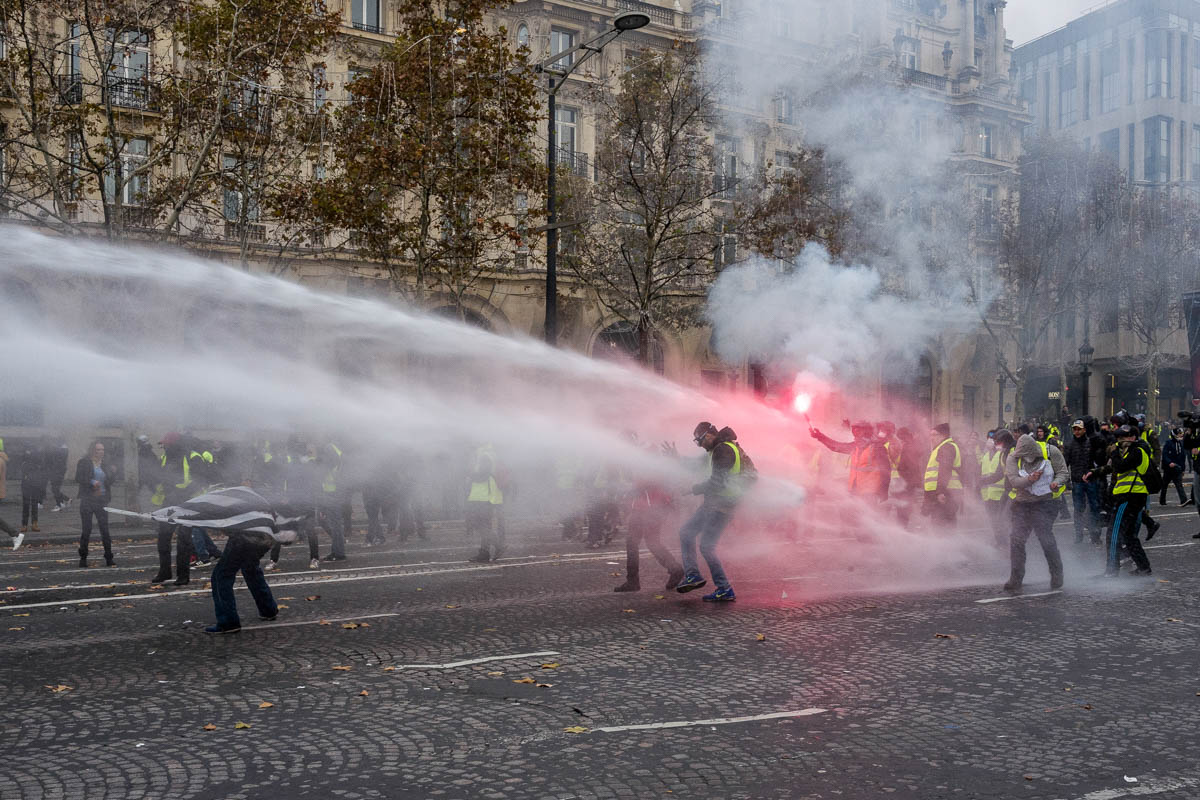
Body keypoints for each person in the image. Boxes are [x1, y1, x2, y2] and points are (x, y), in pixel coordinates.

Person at [675, 422, 754, 602]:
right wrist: (677, 457)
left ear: (710, 434)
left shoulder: (722, 451)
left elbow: (718, 482)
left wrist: (693, 489)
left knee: (699, 541)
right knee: (692, 536)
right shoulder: (718, 449)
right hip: (719, 503)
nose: (700, 445)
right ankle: (714, 584)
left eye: (701, 440)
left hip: (721, 504)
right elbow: (695, 464)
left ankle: (713, 583)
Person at [1085, 424, 1154, 577]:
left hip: (1130, 496)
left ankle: (1111, 570)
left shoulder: (1138, 451)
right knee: (1129, 536)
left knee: (1113, 533)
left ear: (1133, 437)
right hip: (1129, 496)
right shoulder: (1127, 452)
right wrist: (1094, 472)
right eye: (1118, 437)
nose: (1121, 440)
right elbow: (1112, 468)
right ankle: (1144, 567)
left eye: (1124, 437)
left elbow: (1121, 467)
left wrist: (1115, 451)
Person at [1002, 433, 1068, 593]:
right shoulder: (1012, 457)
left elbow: (1063, 473)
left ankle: (1057, 574)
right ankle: (1015, 579)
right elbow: (1014, 481)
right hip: (1022, 503)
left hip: (1046, 503)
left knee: (1045, 537)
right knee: (1017, 540)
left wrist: (1056, 483)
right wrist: (1030, 480)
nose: (1026, 459)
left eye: (1028, 456)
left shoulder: (1051, 451)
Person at [615, 446, 684, 593]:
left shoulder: (653, 467)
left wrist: (633, 489)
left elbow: (648, 483)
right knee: (648, 542)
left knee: (641, 542)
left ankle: (634, 581)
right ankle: (674, 569)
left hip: (649, 509)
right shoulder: (648, 466)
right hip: (644, 509)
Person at [809, 421, 890, 502]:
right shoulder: (855, 446)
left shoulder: (877, 448)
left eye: (858, 433)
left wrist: (883, 492)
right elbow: (836, 446)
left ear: (866, 433)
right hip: (855, 491)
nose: (856, 438)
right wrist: (820, 436)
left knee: (865, 513)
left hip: (870, 493)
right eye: (855, 433)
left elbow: (886, 471)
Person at [75, 440, 116, 568]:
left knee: (105, 529)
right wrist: (92, 482)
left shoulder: (105, 463)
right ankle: (83, 557)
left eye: (102, 450)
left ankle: (109, 557)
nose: (101, 452)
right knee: (87, 530)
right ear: (92, 450)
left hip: (102, 499)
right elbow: (78, 478)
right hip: (88, 499)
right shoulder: (84, 462)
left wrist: (113, 473)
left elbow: (109, 482)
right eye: (98, 449)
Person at [1063, 419, 1103, 544]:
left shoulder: (1091, 443)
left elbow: (1098, 460)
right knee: (1079, 509)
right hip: (1077, 481)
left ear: (1084, 430)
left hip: (1090, 480)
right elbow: (1066, 463)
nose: (1077, 431)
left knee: (1094, 508)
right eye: (1075, 429)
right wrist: (1067, 480)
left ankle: (1095, 535)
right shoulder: (1070, 445)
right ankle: (1079, 534)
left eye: (1079, 429)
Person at [466, 443, 505, 563]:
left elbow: (484, 473)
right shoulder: (485, 453)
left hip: (483, 497)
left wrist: (471, 476)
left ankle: (497, 546)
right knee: (483, 525)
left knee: (481, 525)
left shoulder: (484, 455)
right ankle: (484, 553)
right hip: (483, 496)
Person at [923, 423, 963, 525]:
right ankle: (946, 540)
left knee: (942, 523)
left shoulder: (946, 447)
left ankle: (947, 540)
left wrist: (940, 492)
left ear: (943, 435)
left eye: (934, 435)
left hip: (946, 492)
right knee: (942, 522)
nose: (931, 438)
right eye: (930, 435)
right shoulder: (941, 447)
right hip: (943, 491)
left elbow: (945, 470)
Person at [979, 429, 1014, 548]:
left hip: (1003, 492)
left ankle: (1006, 542)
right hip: (990, 493)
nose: (991, 441)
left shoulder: (1006, 453)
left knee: (1003, 519)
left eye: (994, 439)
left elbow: (1003, 473)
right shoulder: (988, 455)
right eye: (989, 438)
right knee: (995, 520)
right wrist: (981, 483)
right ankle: (1001, 542)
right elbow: (997, 473)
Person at [19, 440, 47, 533]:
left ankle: (32, 524)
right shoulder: (25, 460)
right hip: (27, 483)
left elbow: (42, 468)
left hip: (34, 483)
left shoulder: (36, 460)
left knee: (33, 504)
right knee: (27, 504)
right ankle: (25, 524)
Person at [1160, 428, 1189, 506]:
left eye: (1181, 433)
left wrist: (1183, 469)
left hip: (1177, 468)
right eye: (1179, 434)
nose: (1181, 435)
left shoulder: (1181, 443)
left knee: (1179, 484)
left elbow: (1183, 457)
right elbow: (1165, 455)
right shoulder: (1168, 443)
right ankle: (1162, 500)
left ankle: (1184, 500)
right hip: (1169, 468)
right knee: (1164, 485)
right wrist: (1169, 462)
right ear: (1174, 435)